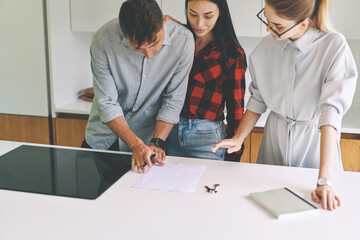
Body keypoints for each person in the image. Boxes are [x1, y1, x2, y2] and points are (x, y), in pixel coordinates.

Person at [212, 0, 358, 210]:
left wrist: (324, 180)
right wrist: (238, 137)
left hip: (315, 142)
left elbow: (331, 115)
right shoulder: (266, 48)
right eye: (268, 21)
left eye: (277, 26)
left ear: (303, 24)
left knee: (313, 212)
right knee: (266, 207)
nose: (269, 29)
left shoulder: (334, 46)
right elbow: (258, 98)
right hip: (274, 139)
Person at [82, 0, 195, 173]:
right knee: (97, 197)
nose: (149, 55)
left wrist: (157, 142)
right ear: (123, 33)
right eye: (139, 49)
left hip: (150, 140)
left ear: (164, 22)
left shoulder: (183, 41)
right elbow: (107, 103)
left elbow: (173, 99)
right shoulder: (103, 40)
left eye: (154, 44)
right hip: (104, 139)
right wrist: (135, 144)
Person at [166, 0, 246, 161]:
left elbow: (235, 107)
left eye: (208, 16)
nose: (199, 23)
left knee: (207, 186)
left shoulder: (231, 53)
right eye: (192, 14)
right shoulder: (178, 40)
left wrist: (234, 151)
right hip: (169, 131)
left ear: (220, 13)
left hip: (206, 137)